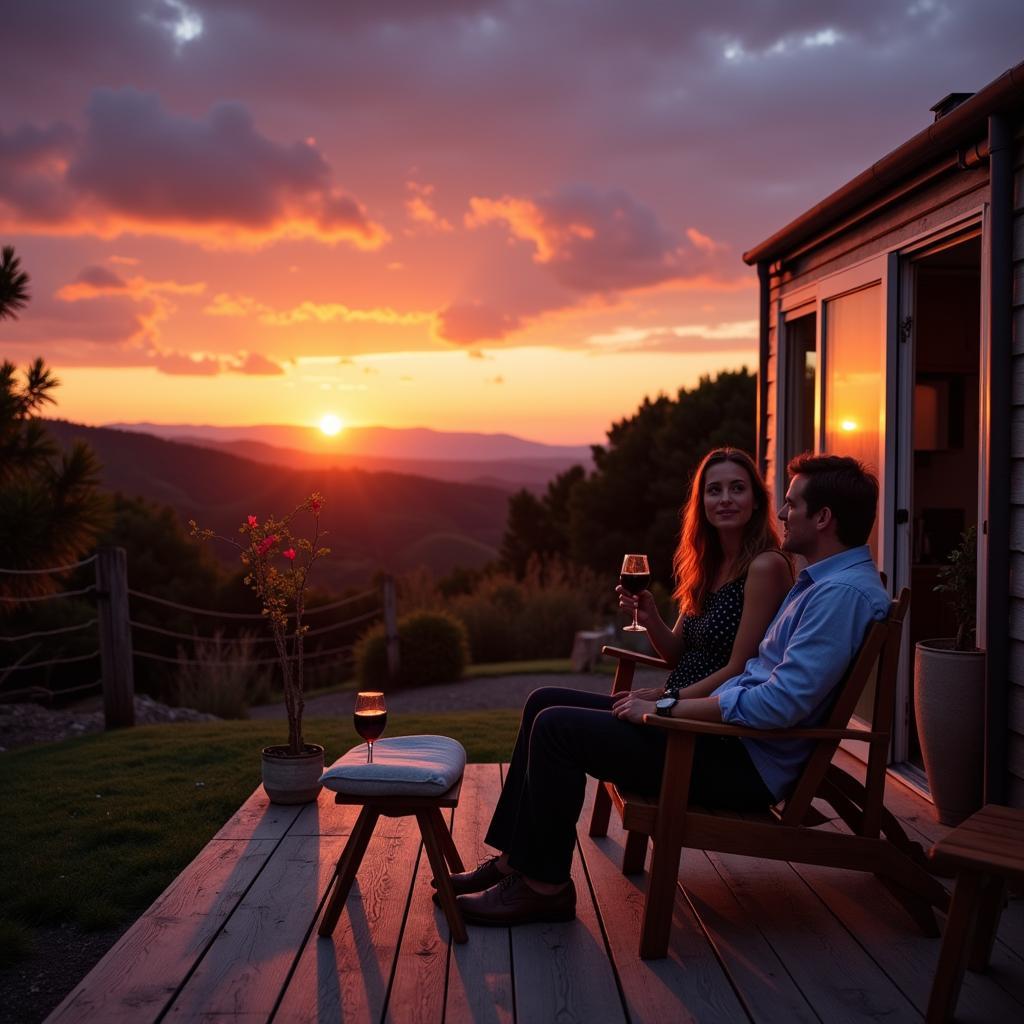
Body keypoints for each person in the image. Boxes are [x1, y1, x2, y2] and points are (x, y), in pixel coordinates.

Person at [450, 452, 890, 927]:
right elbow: (755, 676)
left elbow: (777, 702)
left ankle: (544, 887)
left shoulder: (836, 594)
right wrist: (665, 694)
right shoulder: (819, 585)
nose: (782, 515)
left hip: (736, 759)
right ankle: (519, 861)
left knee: (557, 729)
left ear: (823, 517)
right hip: (721, 741)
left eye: (791, 505)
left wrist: (668, 708)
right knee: (544, 702)